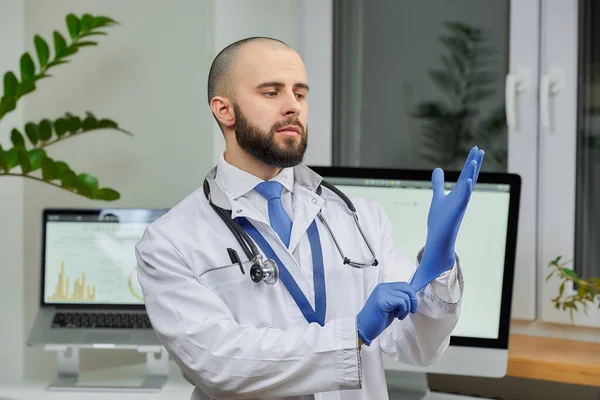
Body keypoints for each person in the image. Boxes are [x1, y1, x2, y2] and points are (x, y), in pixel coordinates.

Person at [135, 36, 485, 400]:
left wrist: (439, 271)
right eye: (271, 93)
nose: (292, 107)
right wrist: (353, 335)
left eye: (300, 94)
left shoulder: (360, 217)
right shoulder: (171, 241)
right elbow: (219, 365)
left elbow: (417, 346)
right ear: (225, 110)